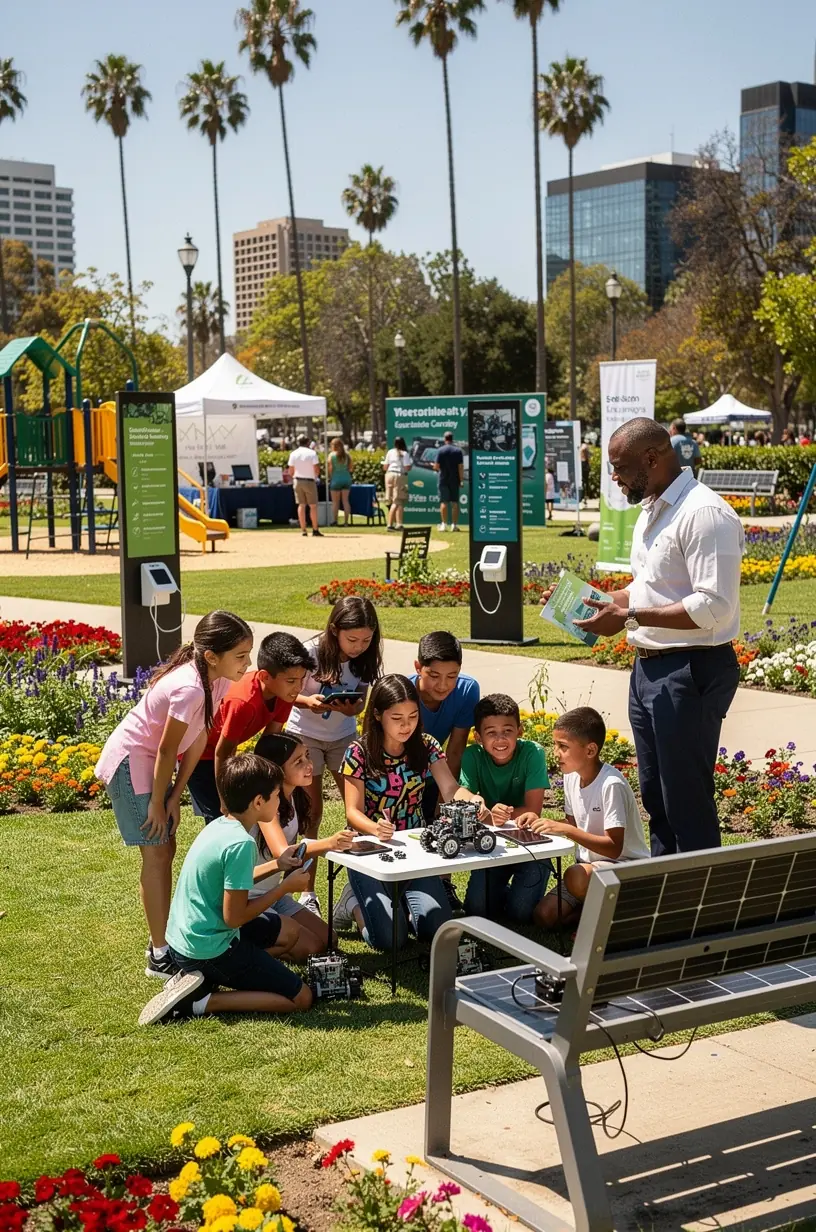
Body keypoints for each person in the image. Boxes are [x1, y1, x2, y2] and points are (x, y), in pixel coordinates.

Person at [561, 418, 743, 856]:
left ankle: (700, 908)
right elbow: (644, 587)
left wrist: (629, 617)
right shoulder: (655, 510)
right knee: (656, 796)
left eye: (619, 466)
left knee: (686, 801)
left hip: (690, 670)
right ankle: (664, 897)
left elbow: (714, 606)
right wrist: (587, 602)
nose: (613, 476)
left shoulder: (704, 513)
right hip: (649, 670)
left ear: (652, 459)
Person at [94, 611, 254, 979]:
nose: (248, 663)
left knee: (165, 848)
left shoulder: (218, 681)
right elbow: (166, 750)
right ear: (212, 655)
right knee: (158, 851)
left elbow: (197, 738)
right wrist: (156, 802)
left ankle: (163, 943)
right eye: (241, 655)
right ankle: (159, 954)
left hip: (152, 765)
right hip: (132, 763)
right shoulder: (190, 687)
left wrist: (175, 797)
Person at [138, 754, 313, 1025]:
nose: (279, 803)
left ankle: (206, 977)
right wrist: (285, 888)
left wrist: (278, 865)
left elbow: (234, 881)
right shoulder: (241, 844)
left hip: (187, 939)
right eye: (277, 796)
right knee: (302, 997)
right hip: (209, 947)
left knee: (289, 931)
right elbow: (235, 917)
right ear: (258, 802)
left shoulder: (221, 826)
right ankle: (201, 1001)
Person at [332, 674, 487, 949]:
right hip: (370, 851)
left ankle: (399, 900)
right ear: (378, 715)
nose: (407, 726)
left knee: (436, 930)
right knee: (391, 940)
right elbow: (352, 813)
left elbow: (450, 788)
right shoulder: (358, 752)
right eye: (398, 718)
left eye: (413, 716)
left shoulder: (426, 745)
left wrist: (472, 799)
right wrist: (375, 828)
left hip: (415, 849)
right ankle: (353, 905)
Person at [286, 596, 382, 915]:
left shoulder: (368, 657)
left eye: (366, 640)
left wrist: (351, 707)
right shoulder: (310, 651)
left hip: (344, 736)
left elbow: (361, 703)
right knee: (311, 813)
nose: (358, 646)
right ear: (334, 630)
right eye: (352, 639)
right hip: (306, 735)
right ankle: (306, 894)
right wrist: (307, 701)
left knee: (361, 809)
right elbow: (288, 692)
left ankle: (362, 887)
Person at [530, 708, 649, 928]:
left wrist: (566, 830)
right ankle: (603, 915)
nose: (556, 753)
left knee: (575, 876)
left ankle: (615, 914)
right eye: (555, 745)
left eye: (563, 747)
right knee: (544, 916)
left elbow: (614, 847)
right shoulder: (571, 777)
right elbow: (572, 825)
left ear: (591, 750)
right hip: (589, 870)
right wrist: (539, 822)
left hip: (623, 869)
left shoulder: (610, 784)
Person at [187, 632, 314, 825]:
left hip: (224, 757)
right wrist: (225, 799)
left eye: (301, 679)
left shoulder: (285, 694)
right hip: (199, 755)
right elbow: (222, 751)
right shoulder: (243, 702)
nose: (298, 687)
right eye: (291, 681)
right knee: (221, 819)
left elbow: (270, 744)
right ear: (265, 676)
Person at [252, 732, 357, 957]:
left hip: (276, 896)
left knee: (330, 940)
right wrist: (329, 843)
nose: (309, 765)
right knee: (312, 948)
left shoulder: (293, 797)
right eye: (298, 761)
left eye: (307, 756)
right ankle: (242, 950)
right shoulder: (265, 805)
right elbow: (284, 854)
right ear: (275, 769)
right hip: (251, 900)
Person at [460, 694, 552, 924]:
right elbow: (464, 793)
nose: (500, 739)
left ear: (520, 731)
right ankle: (505, 893)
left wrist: (498, 816)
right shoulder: (472, 755)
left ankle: (519, 894)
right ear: (477, 736)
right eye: (491, 732)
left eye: (508, 731)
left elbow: (533, 809)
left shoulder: (533, 753)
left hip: (529, 846)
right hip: (492, 847)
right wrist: (479, 804)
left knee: (519, 914)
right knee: (476, 909)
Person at [410, 630, 480, 911]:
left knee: (444, 826)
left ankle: (444, 886)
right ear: (418, 667)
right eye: (434, 675)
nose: (443, 685)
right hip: (403, 772)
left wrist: (444, 800)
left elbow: (455, 749)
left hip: (439, 770)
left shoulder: (467, 690)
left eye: (452, 676)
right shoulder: (401, 689)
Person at [288, 435, 323, 538]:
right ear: (308, 442)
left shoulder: (293, 454)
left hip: (297, 480)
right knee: (313, 505)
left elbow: (291, 470)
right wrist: (315, 477)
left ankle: (303, 530)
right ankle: (315, 529)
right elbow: (316, 469)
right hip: (309, 481)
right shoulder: (312, 453)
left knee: (301, 505)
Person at [433, 430, 464, 532]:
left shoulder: (440, 450)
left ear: (445, 439)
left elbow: (436, 466)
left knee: (444, 502)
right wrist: (461, 480)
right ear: (452, 438)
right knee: (455, 503)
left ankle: (443, 525)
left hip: (443, 479)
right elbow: (460, 467)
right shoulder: (458, 451)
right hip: (454, 480)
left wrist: (434, 467)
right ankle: (454, 525)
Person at [382, 435, 412, 530]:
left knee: (392, 501)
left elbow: (385, 467)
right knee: (398, 501)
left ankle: (399, 523)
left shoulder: (390, 452)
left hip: (389, 475)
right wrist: (411, 466)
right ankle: (390, 524)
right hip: (399, 476)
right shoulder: (404, 454)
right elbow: (407, 468)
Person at [327, 437, 353, 527]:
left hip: (336, 479)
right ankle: (346, 522)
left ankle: (335, 520)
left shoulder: (331, 455)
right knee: (345, 501)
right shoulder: (347, 455)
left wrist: (330, 477)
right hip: (346, 478)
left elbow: (330, 469)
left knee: (335, 502)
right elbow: (351, 468)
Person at [579, 439, 591, 507]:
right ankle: (583, 498)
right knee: (585, 482)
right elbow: (584, 449)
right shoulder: (584, 446)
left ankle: (584, 498)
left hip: (583, 464)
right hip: (584, 464)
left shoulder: (582, 446)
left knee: (584, 482)